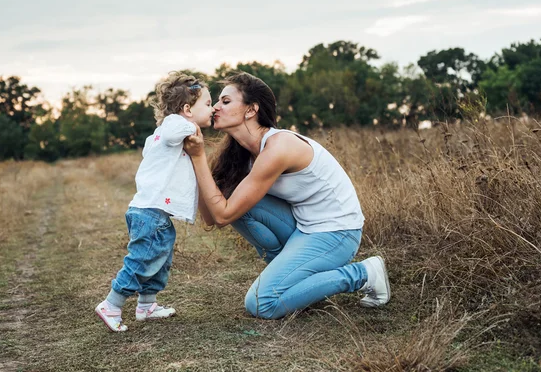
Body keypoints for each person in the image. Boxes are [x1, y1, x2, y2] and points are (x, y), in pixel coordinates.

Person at [184, 72, 390, 320]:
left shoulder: (279, 147)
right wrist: (193, 161)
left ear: (251, 110)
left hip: (337, 233)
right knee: (239, 205)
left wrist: (198, 157)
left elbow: (222, 214)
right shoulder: (242, 155)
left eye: (225, 102)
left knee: (261, 303)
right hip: (303, 227)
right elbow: (212, 216)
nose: (215, 107)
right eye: (217, 101)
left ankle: (364, 273)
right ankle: (292, 280)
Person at [95, 72, 214, 332]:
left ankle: (147, 305)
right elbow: (174, 128)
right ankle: (112, 304)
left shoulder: (160, 135)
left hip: (154, 212)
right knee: (142, 260)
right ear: (186, 109)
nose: (213, 108)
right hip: (150, 212)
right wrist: (192, 126)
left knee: (160, 259)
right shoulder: (174, 125)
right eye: (207, 103)